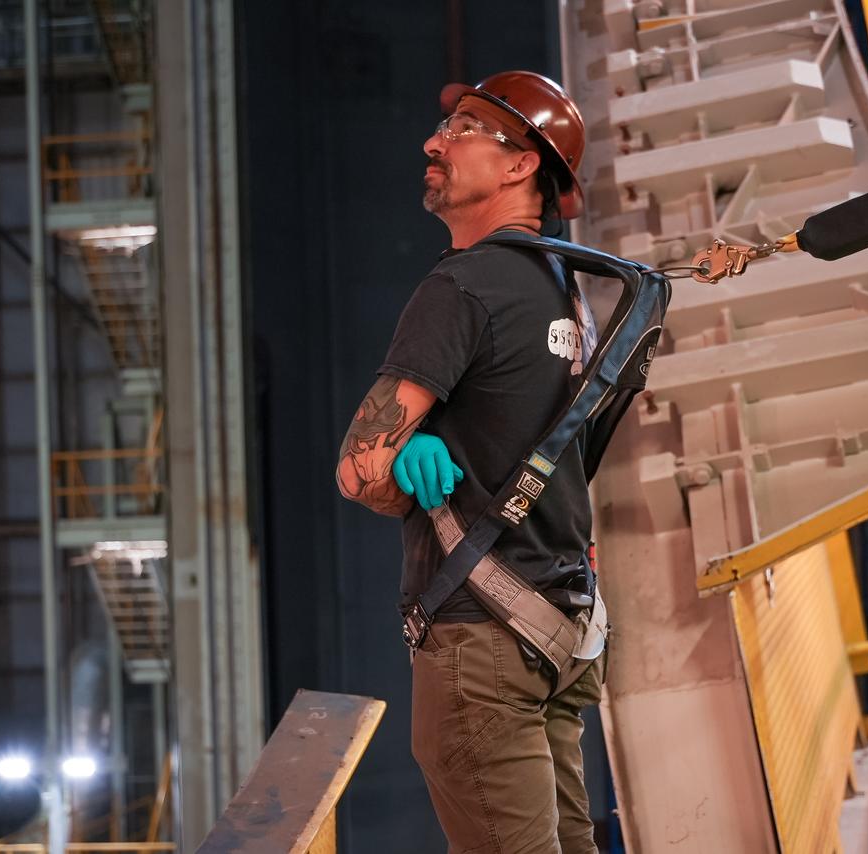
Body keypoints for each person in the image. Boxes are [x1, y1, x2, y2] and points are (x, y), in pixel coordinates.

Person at [336, 71, 605, 854]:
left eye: (461, 130)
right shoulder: (569, 294)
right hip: (562, 627)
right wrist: (439, 441)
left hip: (482, 645)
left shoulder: (460, 287)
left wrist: (400, 459)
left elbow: (357, 470)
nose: (433, 143)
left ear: (521, 165)